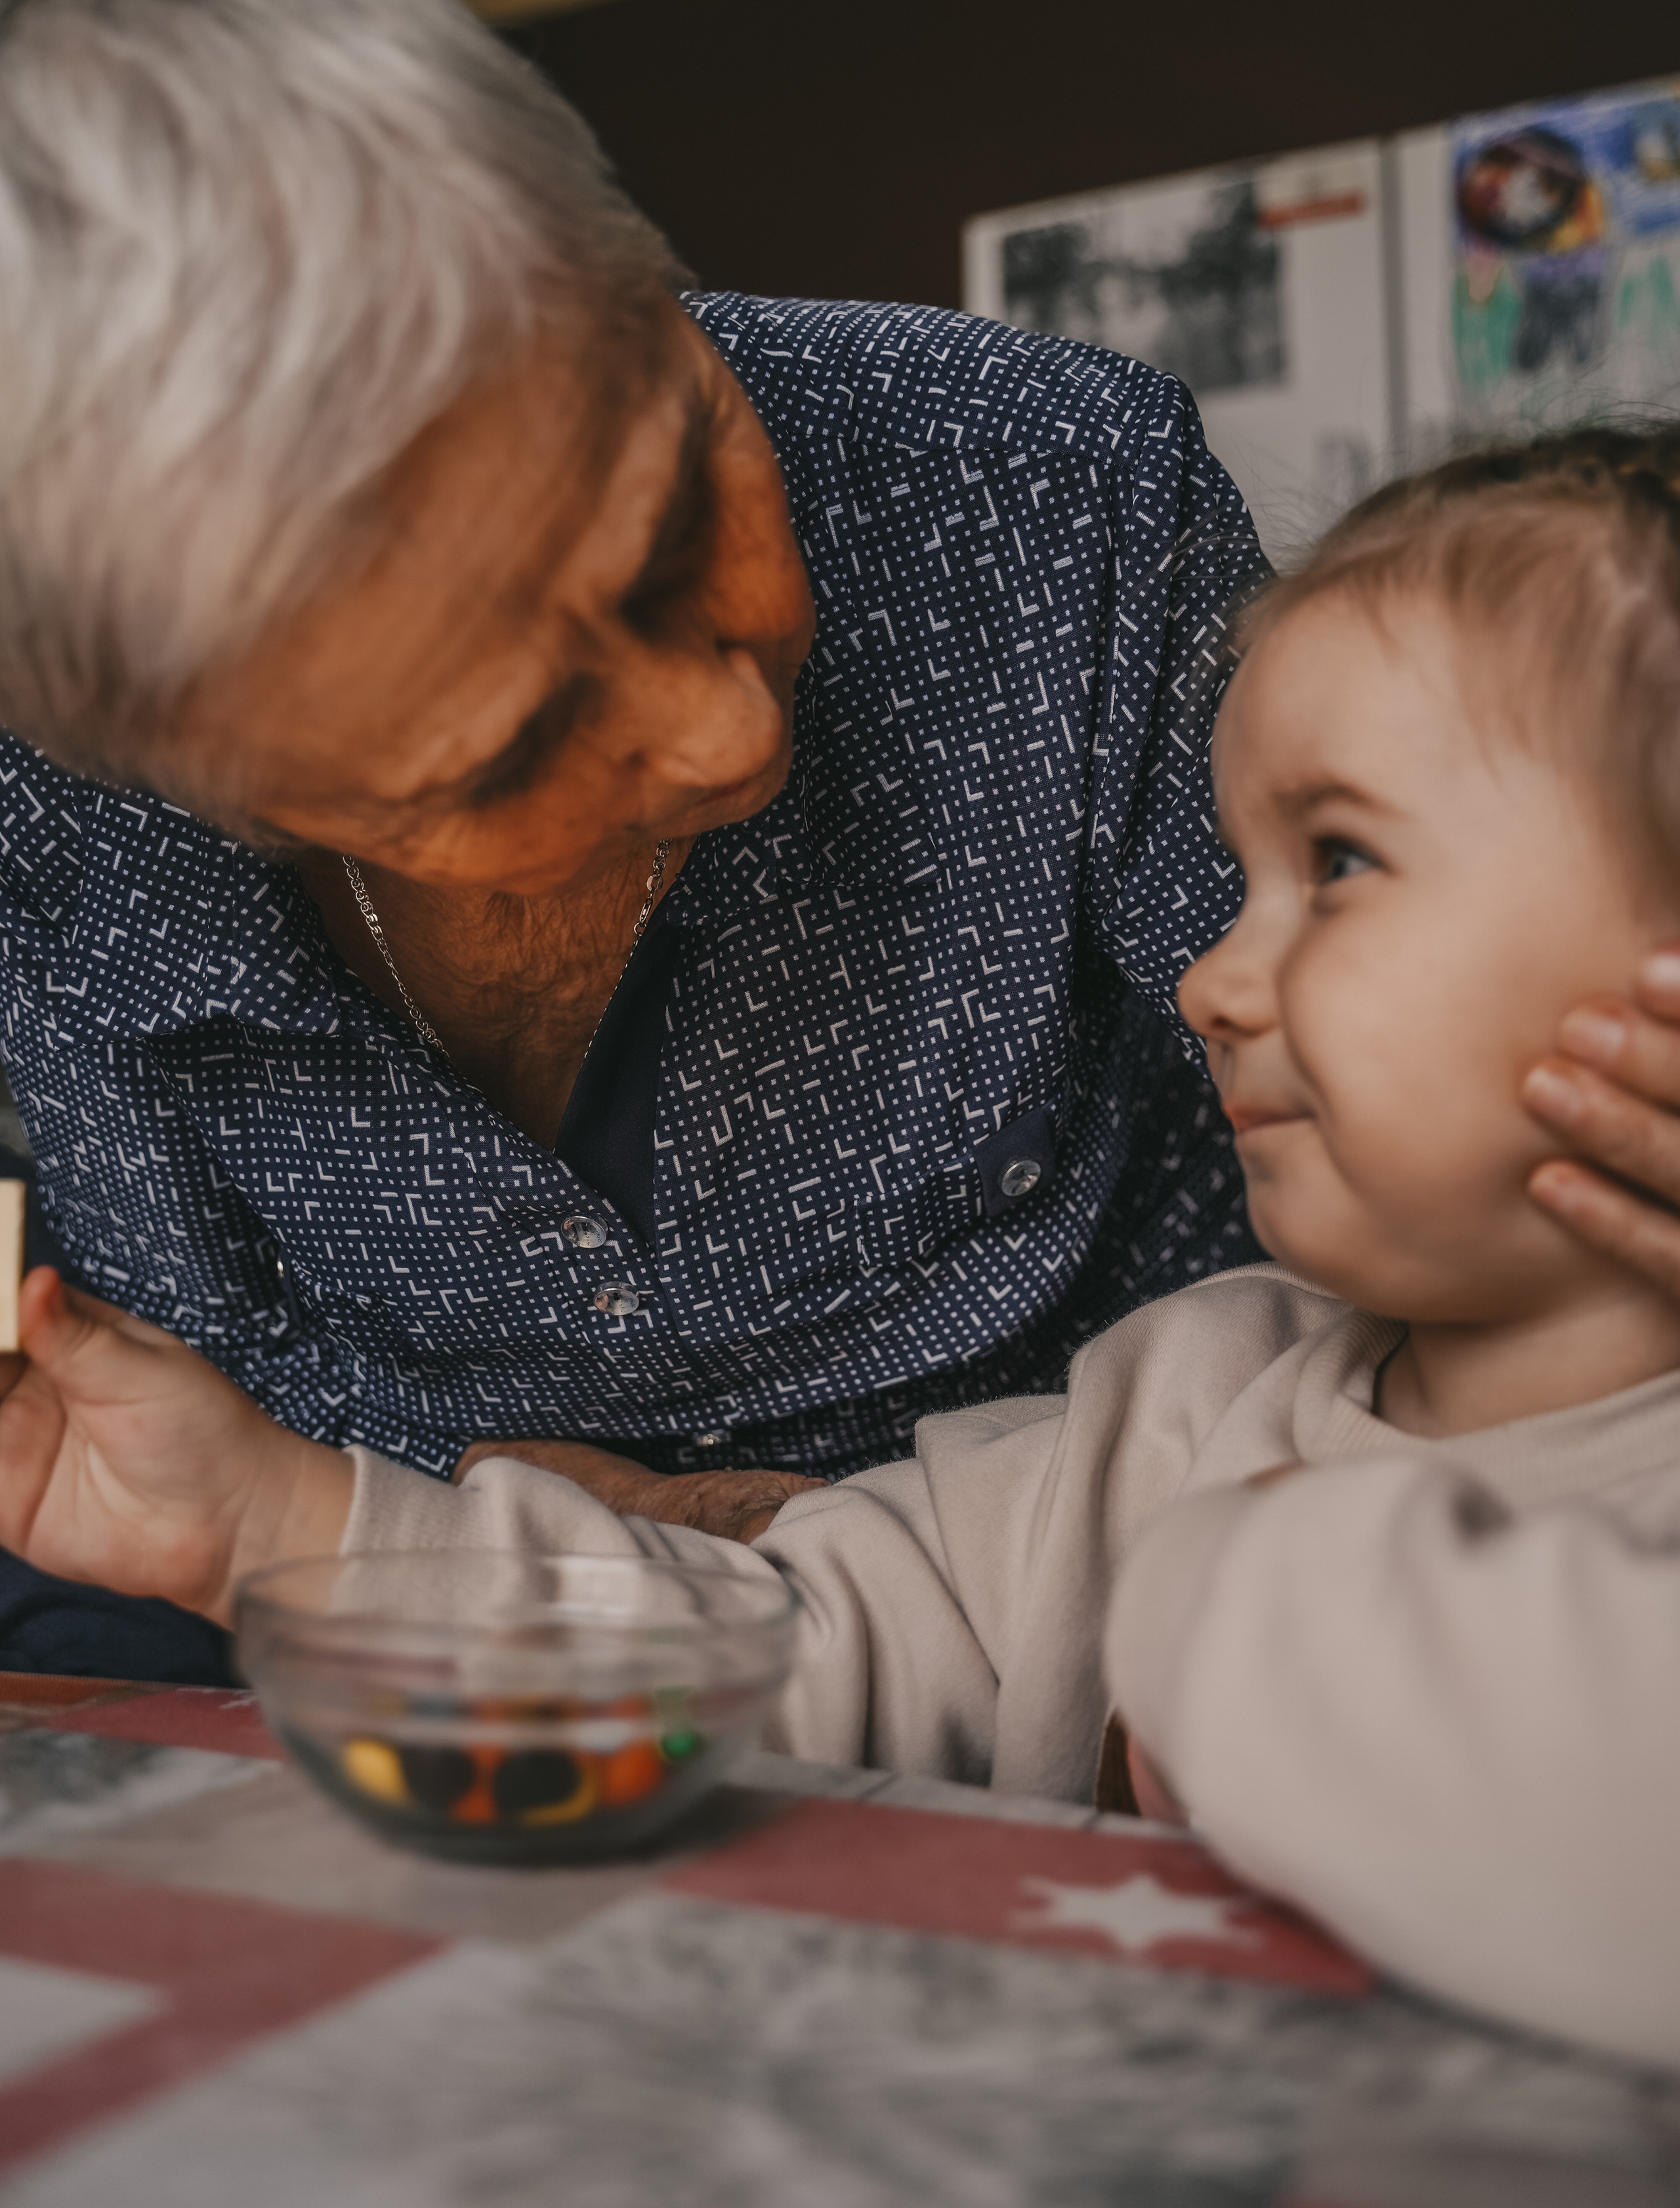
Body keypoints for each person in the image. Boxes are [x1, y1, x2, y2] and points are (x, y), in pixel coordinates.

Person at [6, 427, 1680, 2068]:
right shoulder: (1182, 1397)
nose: (1209, 981)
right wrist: (270, 1520)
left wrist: (1213, 1600)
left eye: (1336, 863)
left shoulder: (1201, 1541)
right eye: (1241, 878)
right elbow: (752, 1656)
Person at [0, 0, 1265, 1677]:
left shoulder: (1056, 493)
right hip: (408, 1656)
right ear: (211, 790)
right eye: (502, 754)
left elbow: (1430, 1225)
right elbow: (186, 1403)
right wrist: (492, 1549)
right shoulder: (46, 827)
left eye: (682, 508)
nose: (729, 732)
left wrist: (865, 1558)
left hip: (1147, 1611)